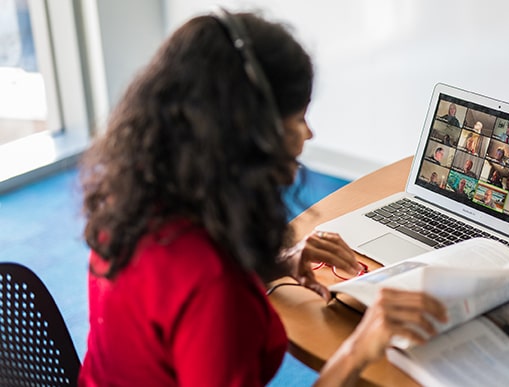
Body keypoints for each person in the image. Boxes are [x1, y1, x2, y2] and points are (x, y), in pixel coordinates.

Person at [77, 10, 447, 386]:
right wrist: (358, 349)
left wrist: (274, 265)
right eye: (298, 120)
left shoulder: (132, 203)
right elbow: (200, 292)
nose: (309, 134)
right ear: (250, 136)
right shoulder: (215, 287)